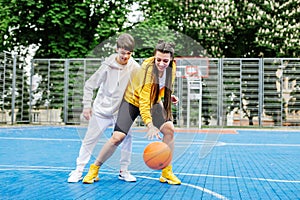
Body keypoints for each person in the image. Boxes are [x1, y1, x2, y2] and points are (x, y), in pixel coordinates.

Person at [82, 40, 181, 185]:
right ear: (154, 57)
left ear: (172, 59)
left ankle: (166, 172)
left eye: (165, 60)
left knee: (169, 130)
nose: (161, 63)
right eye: (158, 59)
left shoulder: (172, 69)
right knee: (117, 137)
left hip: (151, 101)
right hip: (132, 101)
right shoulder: (148, 69)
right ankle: (94, 169)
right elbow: (144, 99)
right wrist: (149, 124)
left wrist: (165, 96)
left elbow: (160, 88)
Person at [68, 33, 140, 183]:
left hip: (120, 111)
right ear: (116, 49)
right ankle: (79, 170)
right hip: (101, 110)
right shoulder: (107, 66)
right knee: (89, 140)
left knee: (127, 138)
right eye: (122, 53)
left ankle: (124, 171)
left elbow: (144, 87)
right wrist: (87, 106)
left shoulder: (134, 67)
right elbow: (89, 85)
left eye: (129, 53)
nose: (125, 56)